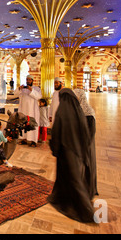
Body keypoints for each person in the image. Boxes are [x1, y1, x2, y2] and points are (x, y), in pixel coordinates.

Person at [48, 88, 94, 223]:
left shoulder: (62, 112)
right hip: (78, 150)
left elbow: (56, 132)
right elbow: (86, 133)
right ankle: (62, 198)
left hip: (66, 151)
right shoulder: (78, 111)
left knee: (74, 179)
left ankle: (87, 213)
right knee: (69, 177)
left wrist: (54, 149)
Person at [73, 88, 98, 198]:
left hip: (85, 145)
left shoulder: (88, 111)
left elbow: (91, 131)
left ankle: (87, 189)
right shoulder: (77, 110)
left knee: (86, 166)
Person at [14, 75, 41, 146]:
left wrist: (31, 90)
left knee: (32, 124)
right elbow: (15, 94)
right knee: (23, 124)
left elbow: (39, 96)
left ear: (32, 81)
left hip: (32, 111)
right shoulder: (23, 89)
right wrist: (19, 88)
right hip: (23, 110)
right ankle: (24, 139)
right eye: (27, 80)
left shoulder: (36, 89)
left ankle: (33, 141)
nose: (28, 81)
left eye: (29, 80)